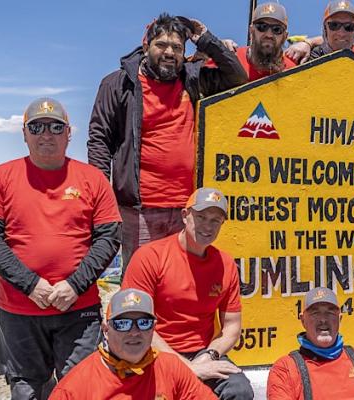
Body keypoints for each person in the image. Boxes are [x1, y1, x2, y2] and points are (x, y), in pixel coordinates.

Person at [0, 98, 121, 399]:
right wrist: (31, 285)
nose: (46, 134)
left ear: (69, 134)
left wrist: (75, 285)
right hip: (19, 310)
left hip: (79, 308)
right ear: (24, 134)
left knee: (81, 388)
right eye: (36, 126)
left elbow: (109, 237)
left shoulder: (92, 179)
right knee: (26, 388)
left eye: (56, 127)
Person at [87, 13, 247, 270]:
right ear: (146, 45)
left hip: (188, 208)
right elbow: (99, 140)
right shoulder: (118, 83)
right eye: (161, 45)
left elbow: (237, 78)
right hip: (138, 210)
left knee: (179, 282)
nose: (169, 52)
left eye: (177, 47)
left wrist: (204, 38)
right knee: (140, 287)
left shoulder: (192, 78)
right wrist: (100, 198)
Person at [121, 188, 253, 399]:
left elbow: (232, 327)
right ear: (185, 216)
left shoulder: (226, 264)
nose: (207, 226)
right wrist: (185, 368)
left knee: (240, 390)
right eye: (201, 217)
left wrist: (209, 356)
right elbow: (136, 323)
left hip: (203, 354)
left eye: (215, 220)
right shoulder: (150, 257)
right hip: (152, 351)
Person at [50, 288, 218, 399]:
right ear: (106, 330)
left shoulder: (171, 368)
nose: (134, 332)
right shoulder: (74, 389)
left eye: (144, 323)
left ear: (153, 329)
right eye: (123, 324)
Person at [267, 287, 354, 399]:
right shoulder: (285, 369)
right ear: (302, 320)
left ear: (340, 319)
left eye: (330, 312)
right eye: (315, 313)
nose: (323, 319)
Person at [237, 2, 297, 81]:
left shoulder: (293, 72)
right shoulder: (233, 59)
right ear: (251, 30)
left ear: (285, 36)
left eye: (277, 29)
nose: (269, 35)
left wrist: (309, 43)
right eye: (262, 27)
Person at [288, 0, 354, 62]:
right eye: (334, 25)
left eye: (349, 27)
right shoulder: (304, 58)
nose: (341, 33)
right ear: (325, 30)